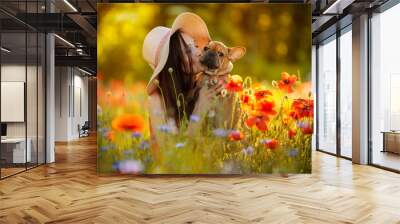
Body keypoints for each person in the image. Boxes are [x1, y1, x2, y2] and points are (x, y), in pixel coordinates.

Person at [142, 12, 225, 144]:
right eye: (187, 51)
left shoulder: (203, 87)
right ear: (172, 63)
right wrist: (200, 109)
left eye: (196, 46)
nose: (199, 52)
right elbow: (169, 157)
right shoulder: (156, 100)